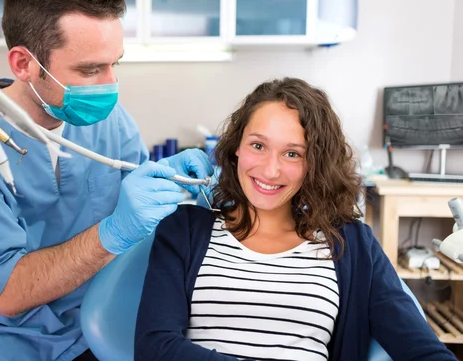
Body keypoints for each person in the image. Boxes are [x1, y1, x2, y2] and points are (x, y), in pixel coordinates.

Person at [0, 0, 212, 361]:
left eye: (114, 65)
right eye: (90, 70)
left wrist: (176, 189)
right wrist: (116, 230)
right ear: (24, 64)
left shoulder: (111, 121)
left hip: (103, 327)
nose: (109, 85)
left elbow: (146, 230)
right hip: (9, 344)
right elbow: (5, 292)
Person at [134, 77, 457, 360]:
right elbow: (154, 346)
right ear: (236, 148)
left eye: (292, 153)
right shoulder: (185, 230)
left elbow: (420, 350)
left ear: (314, 163)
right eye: (258, 145)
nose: (270, 170)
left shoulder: (353, 245)